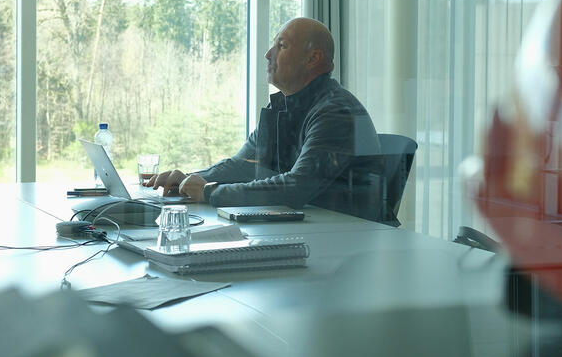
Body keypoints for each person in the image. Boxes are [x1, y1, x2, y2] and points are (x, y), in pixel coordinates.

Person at [147, 17, 388, 222]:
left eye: (281, 45)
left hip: (349, 240)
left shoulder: (336, 112)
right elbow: (242, 165)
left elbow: (295, 188)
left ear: (313, 59)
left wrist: (210, 192)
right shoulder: (285, 107)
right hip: (310, 230)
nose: (267, 54)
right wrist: (190, 179)